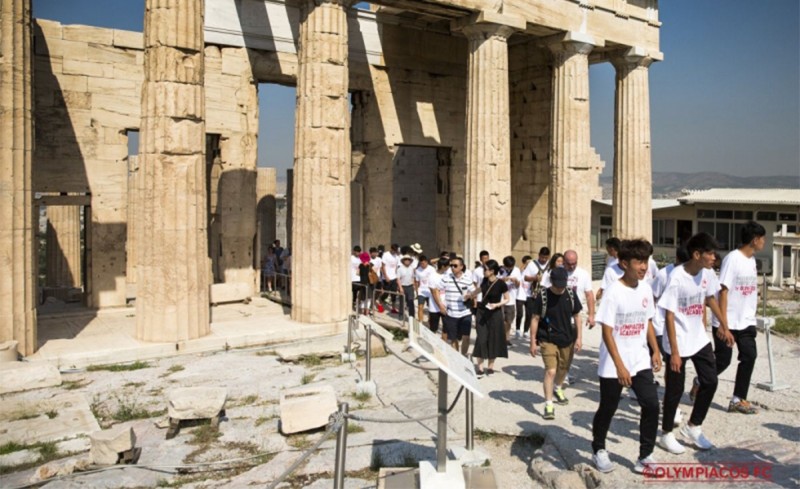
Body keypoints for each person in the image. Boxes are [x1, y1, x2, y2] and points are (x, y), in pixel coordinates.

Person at [591, 239, 662, 474]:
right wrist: (620, 366)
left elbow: (647, 321)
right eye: (638, 261)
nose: (644, 266)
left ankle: (645, 456)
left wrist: (655, 350)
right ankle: (599, 448)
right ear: (623, 263)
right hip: (614, 362)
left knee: (651, 404)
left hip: (639, 359)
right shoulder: (613, 292)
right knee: (608, 407)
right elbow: (607, 331)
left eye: (646, 261)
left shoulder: (645, 288)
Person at [657, 232, 731, 454]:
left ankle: (693, 426)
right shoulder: (677, 277)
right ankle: (666, 434)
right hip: (678, 340)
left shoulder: (707, 273)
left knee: (710, 381)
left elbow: (709, 299)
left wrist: (724, 326)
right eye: (710, 253)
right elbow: (669, 315)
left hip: (698, 338)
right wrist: (675, 352)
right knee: (675, 389)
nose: (714, 258)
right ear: (697, 254)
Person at [705, 221, 766, 415]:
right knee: (723, 361)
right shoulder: (733, 258)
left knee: (749, 356)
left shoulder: (752, 261)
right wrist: (724, 325)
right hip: (727, 321)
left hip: (746, 321)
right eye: (762, 238)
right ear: (755, 240)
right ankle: (701, 380)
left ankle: (738, 399)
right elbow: (723, 292)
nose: (764, 242)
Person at [529, 267, 582, 420]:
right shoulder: (543, 296)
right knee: (551, 371)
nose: (560, 288)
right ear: (551, 281)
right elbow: (535, 319)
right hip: (547, 338)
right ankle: (549, 404)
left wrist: (579, 338)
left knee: (563, 368)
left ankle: (557, 387)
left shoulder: (571, 294)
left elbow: (577, 316)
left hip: (567, 338)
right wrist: (532, 341)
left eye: (562, 285)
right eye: (557, 285)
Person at [471, 259, 510, 376]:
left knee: (493, 338)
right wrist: (470, 295)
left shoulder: (501, 283)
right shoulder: (484, 280)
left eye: (485, 269)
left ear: (492, 271)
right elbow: (480, 289)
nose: (483, 271)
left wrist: (497, 304)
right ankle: (480, 368)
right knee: (481, 338)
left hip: (495, 313)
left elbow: (507, 299)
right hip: (482, 312)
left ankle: (490, 367)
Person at [432, 256, 474, 356]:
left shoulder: (467, 279)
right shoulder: (446, 278)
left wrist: (470, 296)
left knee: (466, 336)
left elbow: (473, 292)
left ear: (461, 266)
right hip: (451, 313)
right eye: (451, 265)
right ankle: (457, 357)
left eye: (455, 266)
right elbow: (436, 289)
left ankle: (463, 356)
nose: (452, 267)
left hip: (465, 312)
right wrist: (440, 305)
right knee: (453, 338)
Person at [524, 247, 551, 337]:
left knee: (544, 315)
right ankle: (531, 334)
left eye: (546, 258)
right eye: (542, 257)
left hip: (546, 294)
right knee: (532, 315)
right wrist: (534, 278)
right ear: (539, 255)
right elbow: (525, 278)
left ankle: (542, 334)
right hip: (533, 294)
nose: (544, 259)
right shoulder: (532, 264)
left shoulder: (551, 265)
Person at [500, 256, 521, 344]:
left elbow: (518, 285)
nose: (509, 269)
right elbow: (494, 281)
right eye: (507, 267)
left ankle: (507, 338)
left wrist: (515, 281)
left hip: (511, 299)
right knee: (500, 320)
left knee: (508, 321)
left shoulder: (517, 270)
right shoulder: (500, 270)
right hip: (500, 300)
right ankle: (501, 338)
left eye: (510, 267)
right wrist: (502, 279)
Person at [427, 258, 449, 334]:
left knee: (446, 329)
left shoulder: (448, 275)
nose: (449, 267)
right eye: (447, 266)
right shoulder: (432, 276)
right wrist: (440, 306)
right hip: (434, 307)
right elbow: (433, 292)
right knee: (433, 329)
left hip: (446, 306)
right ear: (443, 266)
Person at [515, 255, 532, 338]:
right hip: (520, 295)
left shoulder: (532, 271)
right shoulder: (520, 271)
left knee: (529, 314)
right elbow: (519, 271)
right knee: (520, 314)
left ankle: (526, 331)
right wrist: (525, 264)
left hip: (529, 295)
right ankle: (518, 329)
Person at [381, 244, 400, 314]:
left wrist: (397, 277)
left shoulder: (397, 257)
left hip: (394, 277)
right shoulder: (385, 255)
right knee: (386, 293)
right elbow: (383, 266)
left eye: (396, 250)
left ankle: (393, 308)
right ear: (391, 249)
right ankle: (381, 302)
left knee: (394, 293)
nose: (394, 252)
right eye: (394, 250)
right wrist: (385, 276)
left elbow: (397, 267)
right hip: (386, 277)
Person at [415, 255, 434, 321]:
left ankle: (430, 321)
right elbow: (417, 282)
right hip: (421, 291)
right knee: (420, 307)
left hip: (430, 291)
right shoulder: (417, 270)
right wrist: (417, 291)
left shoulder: (432, 269)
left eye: (423, 263)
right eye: (421, 263)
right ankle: (420, 321)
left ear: (426, 262)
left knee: (431, 308)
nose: (422, 265)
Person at [397, 255, 416, 319]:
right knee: (402, 301)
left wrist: (413, 285)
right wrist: (400, 288)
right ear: (403, 261)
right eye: (406, 259)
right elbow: (398, 279)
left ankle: (412, 316)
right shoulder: (400, 269)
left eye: (408, 260)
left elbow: (413, 277)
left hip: (410, 286)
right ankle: (401, 314)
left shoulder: (411, 268)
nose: (407, 261)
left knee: (411, 301)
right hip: (403, 286)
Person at [369, 247, 384, 313]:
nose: (375, 254)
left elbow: (381, 268)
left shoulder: (379, 259)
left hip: (379, 278)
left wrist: (382, 276)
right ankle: (372, 306)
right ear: (370, 253)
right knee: (372, 292)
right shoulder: (369, 260)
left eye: (376, 252)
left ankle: (375, 303)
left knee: (380, 292)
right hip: (372, 279)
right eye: (373, 253)